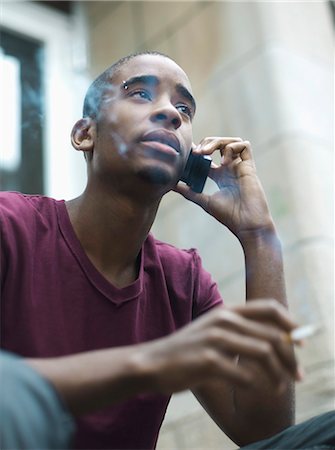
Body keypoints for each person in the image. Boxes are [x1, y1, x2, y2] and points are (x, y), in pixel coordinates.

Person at [0, 51, 334, 450]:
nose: (171, 115)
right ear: (85, 134)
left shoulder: (183, 280)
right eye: (140, 93)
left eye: (183, 109)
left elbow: (265, 433)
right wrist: (152, 363)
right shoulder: (10, 226)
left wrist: (259, 235)